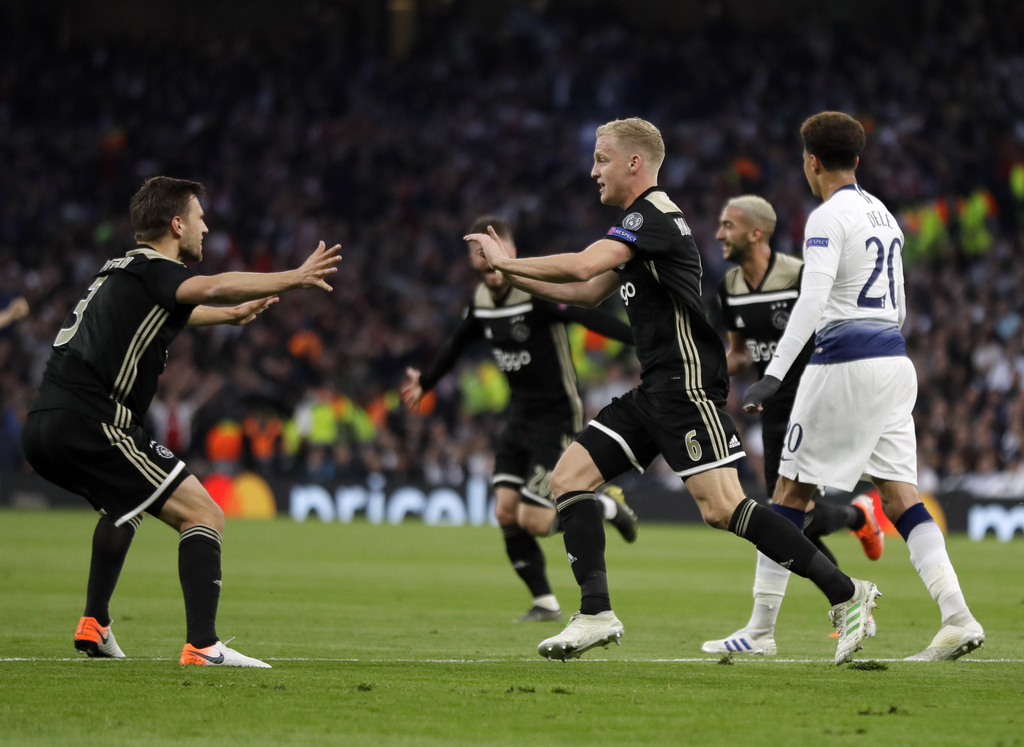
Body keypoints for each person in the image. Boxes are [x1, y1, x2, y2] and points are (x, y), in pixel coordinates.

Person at [468, 117, 879, 665]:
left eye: (602, 159)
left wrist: (504, 263)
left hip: (685, 387)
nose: (593, 171)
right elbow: (590, 292)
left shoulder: (653, 215)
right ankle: (595, 613)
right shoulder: (640, 227)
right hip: (654, 387)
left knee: (725, 508)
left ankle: (848, 594)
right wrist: (511, 276)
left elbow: (584, 264)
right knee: (569, 478)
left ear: (634, 163)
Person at [21, 176, 342, 668]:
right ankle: (203, 645)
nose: (206, 227)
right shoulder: (157, 268)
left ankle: (94, 624)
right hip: (94, 421)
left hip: (45, 422)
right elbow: (209, 285)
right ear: (176, 224)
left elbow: (175, 311)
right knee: (204, 513)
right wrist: (292, 277)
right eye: (199, 217)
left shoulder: (120, 271)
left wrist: (229, 316)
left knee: (122, 505)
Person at [742, 111, 984, 661]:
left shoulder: (828, 217)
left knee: (788, 496)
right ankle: (957, 616)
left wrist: (775, 374)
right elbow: (896, 306)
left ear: (811, 161)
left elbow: (812, 298)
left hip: (844, 362)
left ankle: (759, 630)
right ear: (857, 158)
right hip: (894, 363)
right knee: (902, 499)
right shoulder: (886, 217)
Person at [401, 216, 638, 623]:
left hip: (558, 417)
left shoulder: (537, 294)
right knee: (504, 512)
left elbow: (587, 316)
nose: (490, 274)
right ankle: (544, 602)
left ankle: (604, 507)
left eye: (494, 264)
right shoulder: (479, 301)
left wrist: (642, 340)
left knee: (534, 519)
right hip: (519, 419)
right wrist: (426, 381)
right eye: (481, 267)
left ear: (510, 255)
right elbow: (457, 344)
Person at [702, 195, 885, 656]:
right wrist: (714, 377)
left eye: (728, 225)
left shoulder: (801, 275)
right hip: (772, 408)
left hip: (816, 400)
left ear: (756, 232)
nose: (719, 234)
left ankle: (777, 625)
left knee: (782, 512)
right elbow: (741, 350)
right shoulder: (728, 287)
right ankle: (858, 520)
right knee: (788, 515)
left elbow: (829, 332)